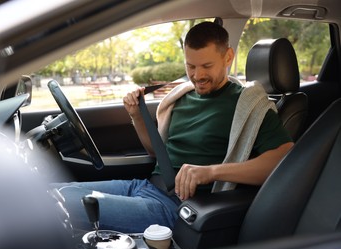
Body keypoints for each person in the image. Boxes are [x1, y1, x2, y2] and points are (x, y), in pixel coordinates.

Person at [51, 21, 293, 233]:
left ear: (228, 57)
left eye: (206, 66)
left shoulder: (248, 104)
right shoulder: (182, 96)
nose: (197, 76)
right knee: (50, 191)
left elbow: (282, 160)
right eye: (191, 66)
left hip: (174, 206)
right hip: (143, 186)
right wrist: (136, 115)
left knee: (53, 204)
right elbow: (157, 153)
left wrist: (210, 172)